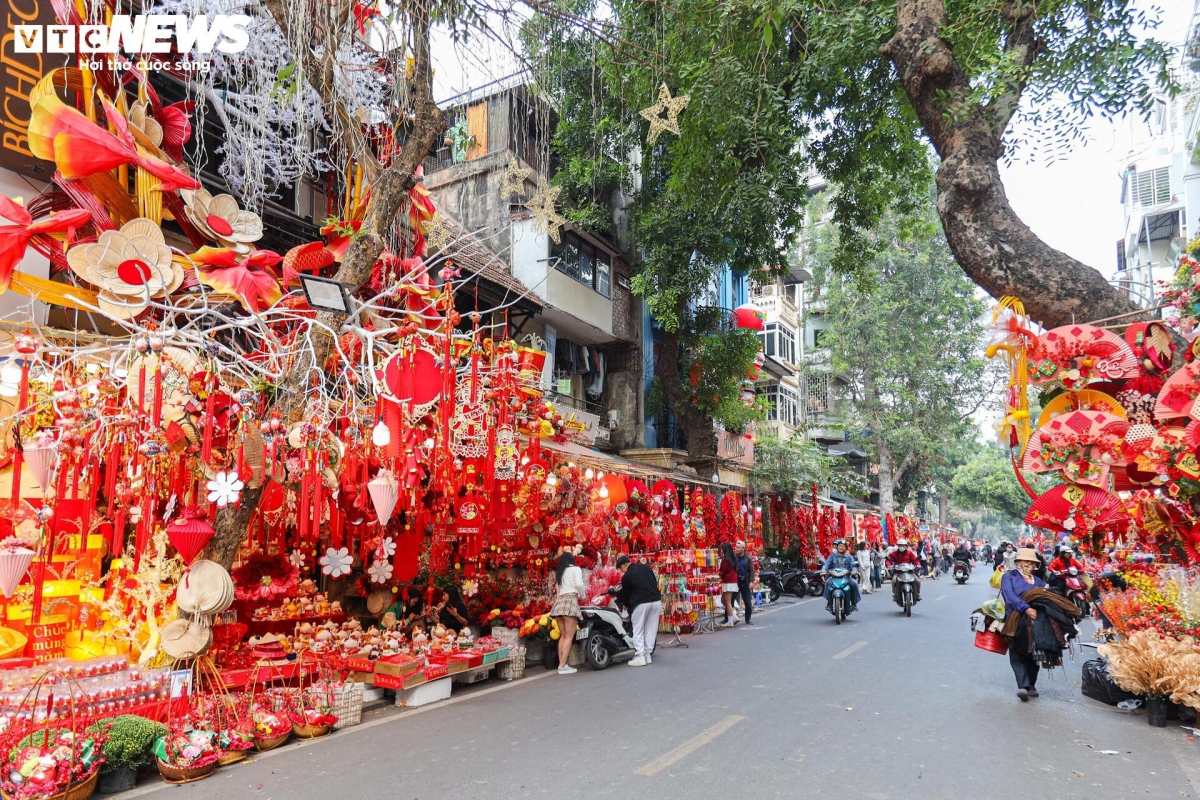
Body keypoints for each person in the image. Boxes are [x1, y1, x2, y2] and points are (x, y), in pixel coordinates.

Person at [612, 555, 663, 666]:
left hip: (640, 603)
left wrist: (625, 604)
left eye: (620, 569)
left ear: (623, 567)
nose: (621, 572)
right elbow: (654, 582)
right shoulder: (646, 568)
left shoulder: (627, 576)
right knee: (651, 628)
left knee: (638, 629)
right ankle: (648, 655)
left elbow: (626, 593)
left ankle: (640, 656)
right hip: (656, 600)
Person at [551, 547, 586, 675]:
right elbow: (579, 584)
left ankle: (562, 664)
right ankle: (562, 666)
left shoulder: (560, 572)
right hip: (570, 601)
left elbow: (557, 589)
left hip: (559, 604)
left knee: (563, 636)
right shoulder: (575, 569)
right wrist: (583, 596)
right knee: (569, 637)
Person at [821, 539, 861, 612]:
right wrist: (824, 570)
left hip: (846, 577)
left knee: (854, 583)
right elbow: (826, 564)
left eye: (843, 546)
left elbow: (853, 566)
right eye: (840, 546)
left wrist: (854, 571)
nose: (841, 547)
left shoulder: (849, 557)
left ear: (845, 548)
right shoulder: (832, 556)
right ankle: (829, 603)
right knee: (827, 583)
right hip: (833, 577)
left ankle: (854, 603)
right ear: (837, 547)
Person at [885, 539, 922, 603]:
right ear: (898, 546)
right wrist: (888, 565)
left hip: (909, 572)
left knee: (918, 581)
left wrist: (918, 565)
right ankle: (895, 594)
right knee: (893, 580)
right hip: (898, 572)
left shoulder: (909, 553)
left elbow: (915, 560)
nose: (901, 547)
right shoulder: (894, 554)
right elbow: (889, 560)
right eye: (900, 545)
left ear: (906, 546)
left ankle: (918, 594)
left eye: (903, 545)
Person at [734, 540, 757, 625]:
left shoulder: (748, 558)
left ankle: (748, 618)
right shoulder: (734, 557)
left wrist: (751, 581)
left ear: (743, 548)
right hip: (736, 581)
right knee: (731, 600)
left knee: (747, 601)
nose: (737, 549)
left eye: (739, 547)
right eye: (736, 547)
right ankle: (728, 618)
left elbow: (751, 570)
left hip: (745, 581)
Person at [718, 542, 740, 627]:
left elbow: (723, 571)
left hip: (728, 581)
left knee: (727, 602)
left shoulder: (725, 559)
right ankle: (734, 617)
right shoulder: (733, 558)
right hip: (733, 581)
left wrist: (720, 575)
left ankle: (730, 621)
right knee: (724, 600)